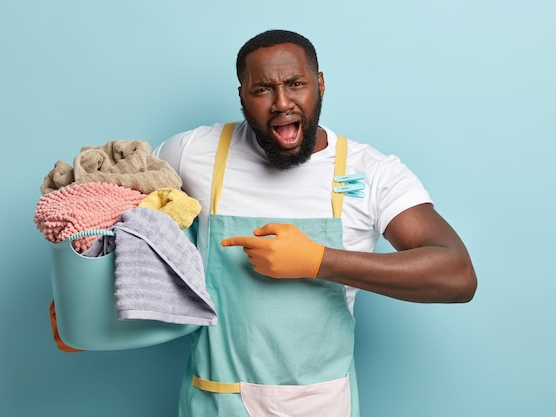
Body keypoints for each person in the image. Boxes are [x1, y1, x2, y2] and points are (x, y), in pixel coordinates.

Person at [154, 29, 477, 417]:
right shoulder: (191, 153)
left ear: (320, 84)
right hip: (214, 402)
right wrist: (84, 309)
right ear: (241, 95)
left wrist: (318, 261)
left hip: (320, 406)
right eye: (262, 90)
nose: (282, 103)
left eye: (296, 84)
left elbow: (457, 275)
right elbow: (117, 224)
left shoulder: (370, 172)